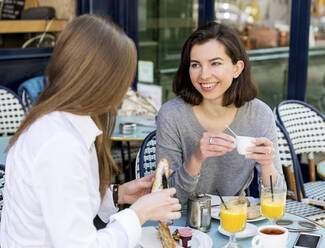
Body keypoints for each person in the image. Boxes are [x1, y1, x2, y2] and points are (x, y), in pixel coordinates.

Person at [0, 14, 181, 248]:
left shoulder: (60, 123)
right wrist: (139, 214)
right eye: (124, 79)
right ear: (104, 81)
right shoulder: (60, 143)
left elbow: (67, 205)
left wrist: (119, 195)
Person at [156, 22, 284, 204]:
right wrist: (196, 157)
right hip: (184, 223)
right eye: (195, 65)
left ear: (237, 68)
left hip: (235, 219)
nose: (204, 75)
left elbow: (277, 199)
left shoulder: (259, 114)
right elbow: (166, 198)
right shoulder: (171, 115)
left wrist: (267, 165)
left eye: (215, 63)